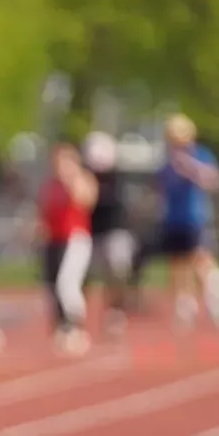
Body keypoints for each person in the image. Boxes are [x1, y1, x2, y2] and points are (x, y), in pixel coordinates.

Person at [156, 113, 219, 331]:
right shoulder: (167, 162)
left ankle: (216, 295)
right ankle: (185, 307)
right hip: (173, 219)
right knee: (178, 265)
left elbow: (212, 180)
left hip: (195, 218)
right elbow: (162, 189)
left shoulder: (200, 155)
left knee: (201, 260)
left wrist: (189, 166)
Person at [36, 140, 96, 353]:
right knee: (53, 285)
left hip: (75, 239)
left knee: (67, 283)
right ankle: (61, 325)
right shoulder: (50, 185)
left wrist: (71, 179)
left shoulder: (81, 180)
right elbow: (44, 212)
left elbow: (86, 201)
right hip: (54, 239)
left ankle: (75, 325)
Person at [83, 130, 136, 337]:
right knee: (85, 276)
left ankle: (115, 312)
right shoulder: (85, 176)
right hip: (91, 234)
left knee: (116, 271)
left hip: (114, 232)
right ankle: (78, 317)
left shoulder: (116, 179)